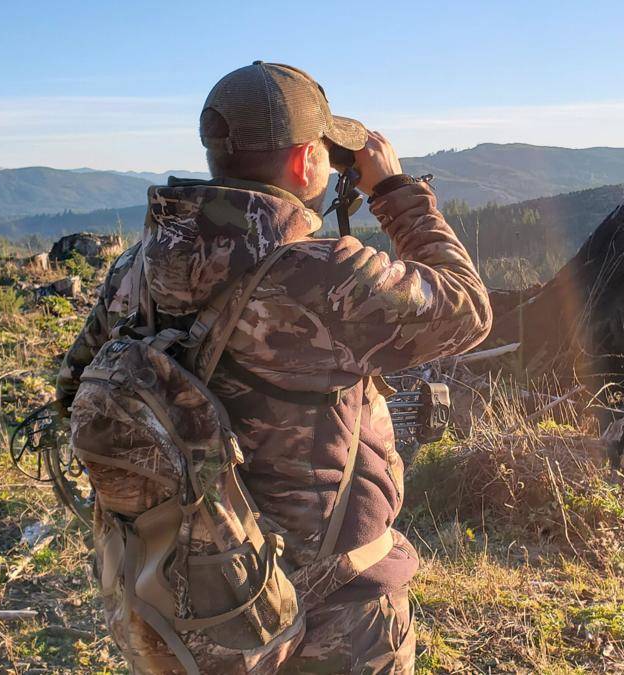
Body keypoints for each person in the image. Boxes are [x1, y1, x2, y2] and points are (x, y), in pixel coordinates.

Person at [56, 61, 492, 672]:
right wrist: (393, 192)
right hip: (337, 604)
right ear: (304, 160)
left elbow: (73, 388)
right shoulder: (321, 274)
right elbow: (466, 310)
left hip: (200, 593)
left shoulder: (136, 269)